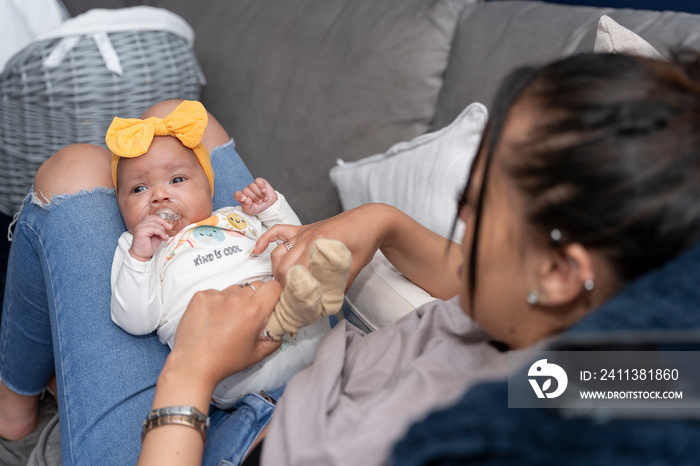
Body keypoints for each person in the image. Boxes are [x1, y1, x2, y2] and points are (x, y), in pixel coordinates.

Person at [1, 50, 700, 466]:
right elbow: (668, 378)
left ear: (559, 272)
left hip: (205, 438)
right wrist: (383, 223)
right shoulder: (571, 340)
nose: (459, 219)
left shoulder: (488, 433)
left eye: (478, 205)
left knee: (74, 172)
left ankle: (13, 411)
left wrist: (190, 372)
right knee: (180, 118)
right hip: (294, 357)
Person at [107, 100, 335, 408]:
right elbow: (136, 322)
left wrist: (271, 210)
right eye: (138, 189)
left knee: (303, 268)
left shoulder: (234, 217)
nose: (159, 195)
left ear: (208, 190)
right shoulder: (138, 247)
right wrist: (140, 258)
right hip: (233, 366)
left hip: (310, 332)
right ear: (120, 208)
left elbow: (296, 244)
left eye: (177, 180)